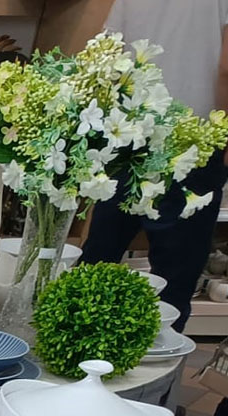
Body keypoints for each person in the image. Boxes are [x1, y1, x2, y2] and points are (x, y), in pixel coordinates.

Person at [79, 0, 228, 330]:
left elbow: (108, 51)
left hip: (131, 132)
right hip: (194, 140)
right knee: (174, 276)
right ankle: (158, 360)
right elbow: (226, 69)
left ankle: (75, 344)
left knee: (100, 256)